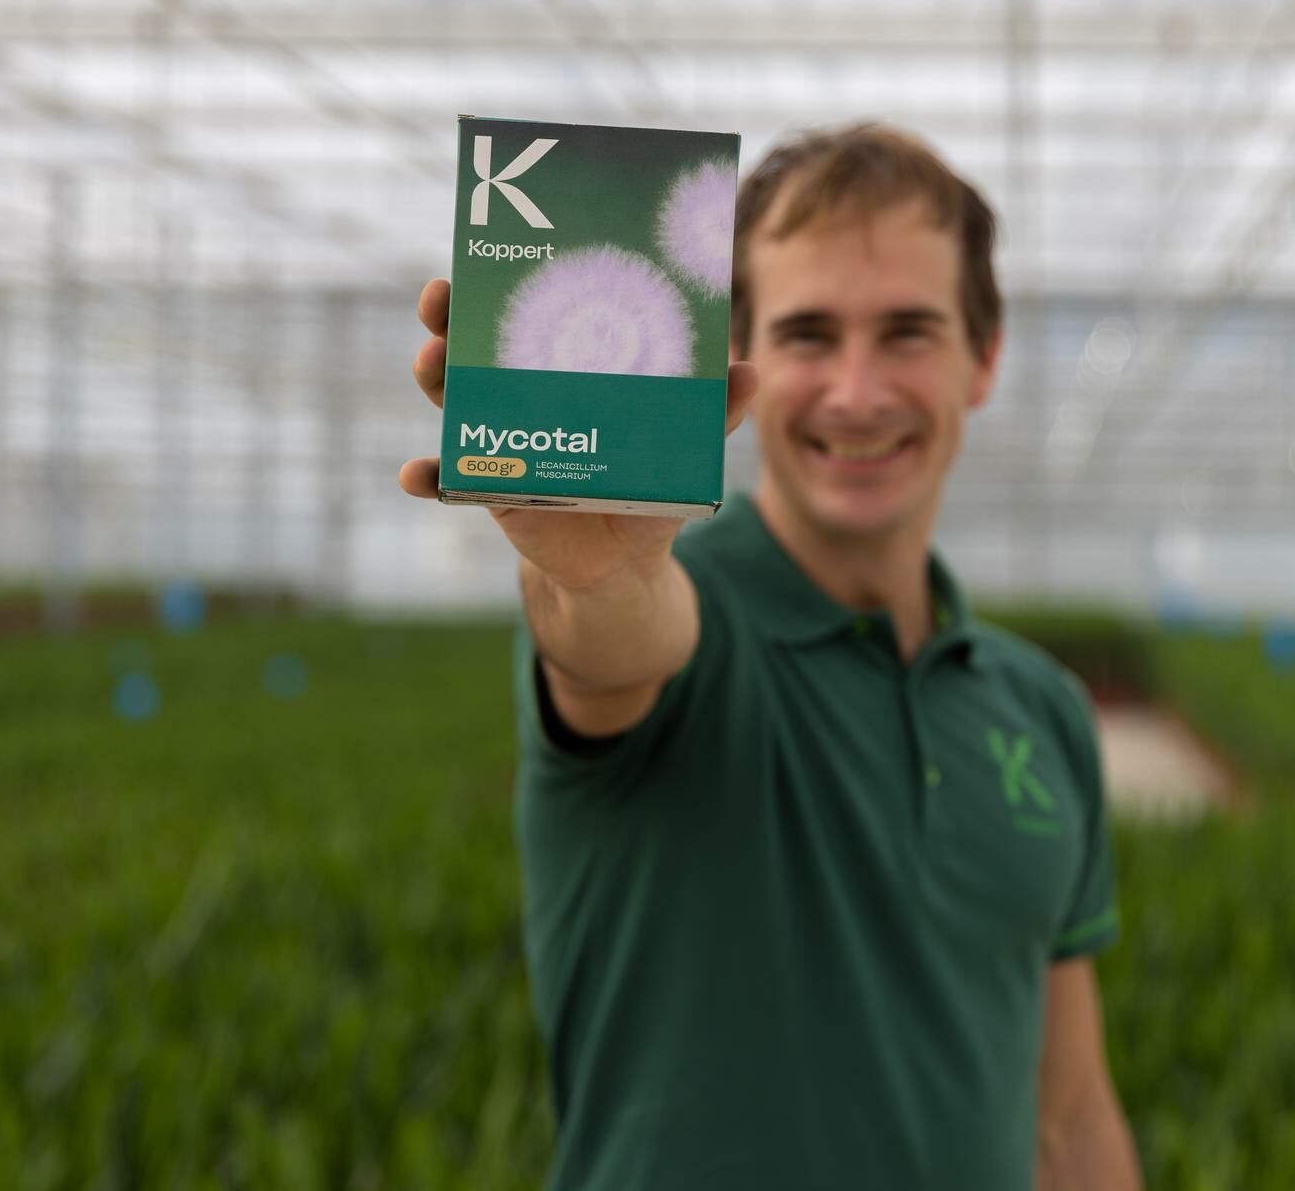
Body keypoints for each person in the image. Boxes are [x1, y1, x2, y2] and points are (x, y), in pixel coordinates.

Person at [399, 123, 1141, 1191]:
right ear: (734, 355)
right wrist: (597, 580)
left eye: (907, 332)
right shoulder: (691, 628)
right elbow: (619, 644)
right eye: (807, 335)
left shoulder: (1043, 709)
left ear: (982, 358)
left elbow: (1069, 1121)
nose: (856, 391)